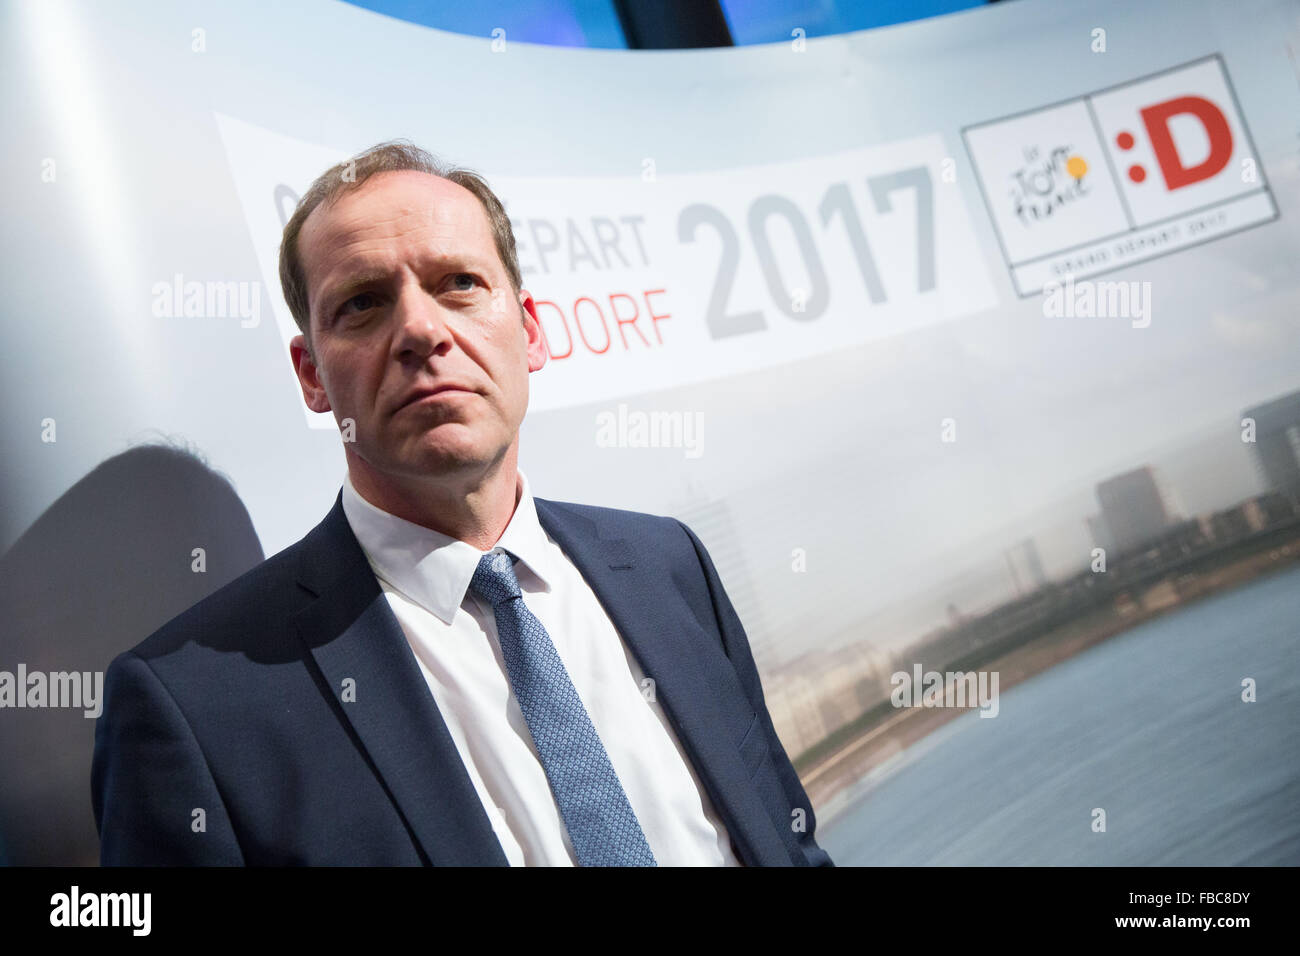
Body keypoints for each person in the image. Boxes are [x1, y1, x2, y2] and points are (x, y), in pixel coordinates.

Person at [91, 141, 833, 867]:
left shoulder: (672, 567)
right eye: (363, 303)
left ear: (531, 331)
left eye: (458, 284)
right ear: (311, 374)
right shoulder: (193, 707)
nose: (420, 330)